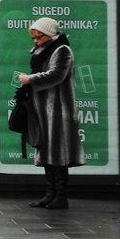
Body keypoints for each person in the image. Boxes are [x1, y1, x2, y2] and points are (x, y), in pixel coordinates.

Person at [17, 17, 83, 209]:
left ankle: (61, 196)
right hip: (43, 108)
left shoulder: (62, 50)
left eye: (38, 37)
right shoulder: (43, 50)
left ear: (49, 35)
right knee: (46, 150)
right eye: (33, 38)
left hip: (59, 109)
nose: (35, 41)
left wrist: (30, 79)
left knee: (59, 152)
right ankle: (50, 193)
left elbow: (57, 74)